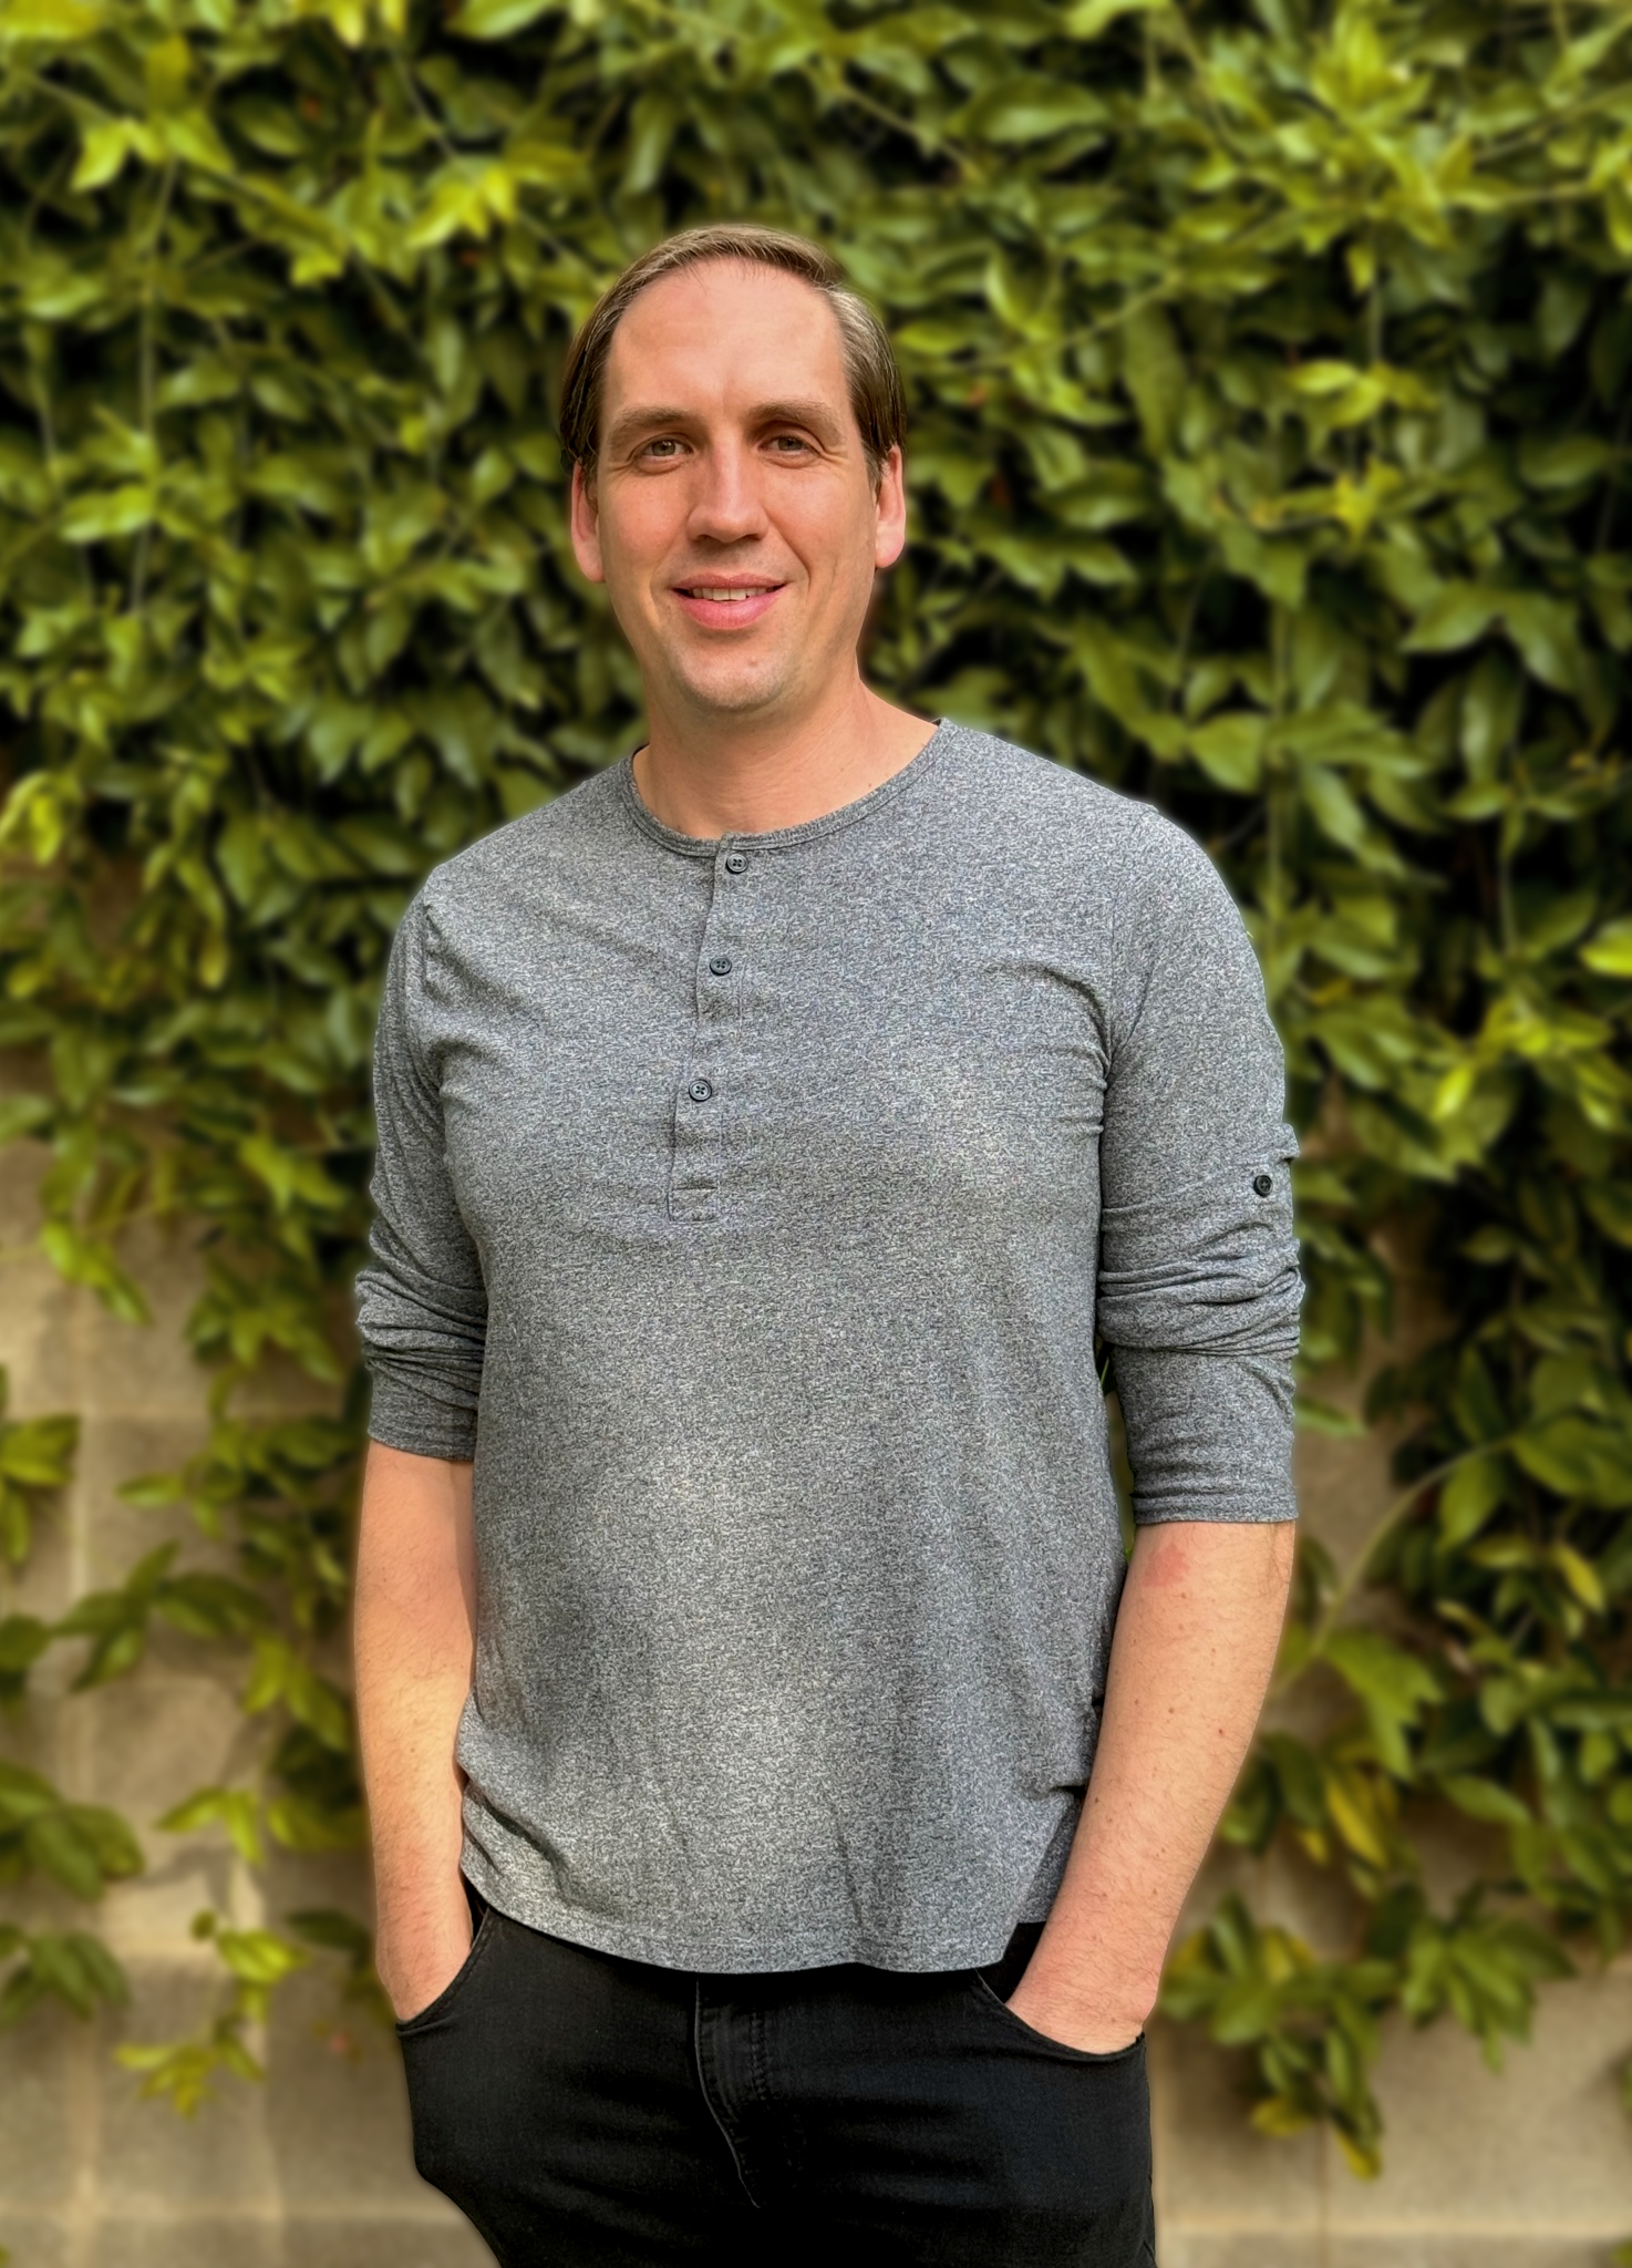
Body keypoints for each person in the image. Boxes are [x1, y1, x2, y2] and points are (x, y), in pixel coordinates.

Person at [352, 221, 1302, 2268]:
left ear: (886, 500)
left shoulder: (1122, 900)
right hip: (555, 2017)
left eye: (787, 439)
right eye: (659, 447)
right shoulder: (472, 935)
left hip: (986, 2015)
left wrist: (1091, 1984)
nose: (725, 506)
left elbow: (1223, 1469)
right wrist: (435, 1956)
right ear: (586, 520)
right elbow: (424, 1427)